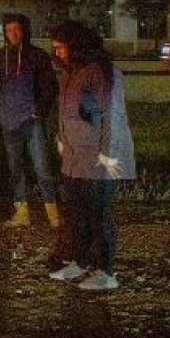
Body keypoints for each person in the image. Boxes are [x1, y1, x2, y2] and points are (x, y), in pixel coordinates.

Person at [47, 21, 136, 291]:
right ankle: (81, 262)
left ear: (77, 47)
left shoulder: (101, 73)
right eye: (55, 49)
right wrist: (61, 138)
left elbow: (111, 116)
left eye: (62, 48)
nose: (58, 54)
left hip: (98, 159)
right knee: (77, 215)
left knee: (98, 215)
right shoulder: (68, 73)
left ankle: (105, 271)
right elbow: (69, 111)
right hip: (74, 159)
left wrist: (108, 154)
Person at [0, 13, 60, 228]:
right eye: (9, 30)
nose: (13, 34)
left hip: (32, 121)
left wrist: (38, 112)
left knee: (42, 168)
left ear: (25, 30)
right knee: (15, 168)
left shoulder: (38, 56)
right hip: (7, 122)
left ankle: (53, 213)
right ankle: (21, 212)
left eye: (17, 29)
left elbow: (50, 87)